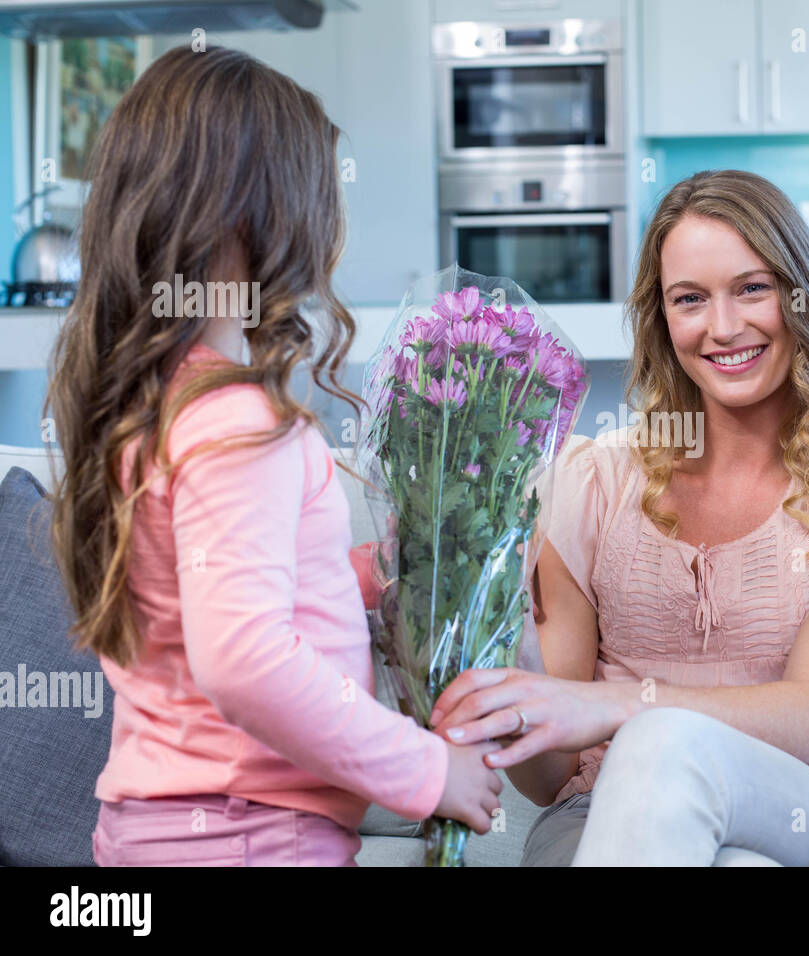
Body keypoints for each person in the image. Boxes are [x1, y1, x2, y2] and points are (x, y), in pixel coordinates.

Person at [44, 46, 502, 866]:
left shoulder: (157, 405)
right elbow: (246, 660)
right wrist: (431, 772)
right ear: (259, 217)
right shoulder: (238, 423)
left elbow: (209, 594)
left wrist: (364, 572)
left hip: (157, 828)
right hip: (247, 838)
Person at [428, 169, 809, 866]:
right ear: (662, 319)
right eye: (690, 299)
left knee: (664, 741)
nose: (723, 327)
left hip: (799, 808)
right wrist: (506, 658)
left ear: (800, 296)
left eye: (752, 288)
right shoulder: (589, 483)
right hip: (600, 815)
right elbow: (547, 779)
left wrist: (611, 709)